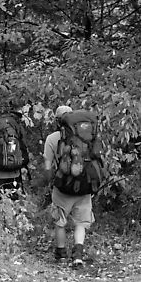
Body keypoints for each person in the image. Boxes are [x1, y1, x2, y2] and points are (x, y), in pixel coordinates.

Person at [43, 105, 95, 267]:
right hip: (85, 186)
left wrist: (49, 182)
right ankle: (78, 256)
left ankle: (61, 254)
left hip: (63, 188)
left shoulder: (52, 138)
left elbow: (47, 166)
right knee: (81, 223)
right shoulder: (87, 137)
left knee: (60, 220)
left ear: (58, 120)